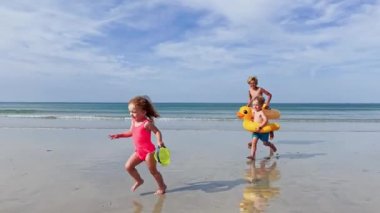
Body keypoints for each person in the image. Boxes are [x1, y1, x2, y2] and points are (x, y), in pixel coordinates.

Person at [109, 96, 167, 195]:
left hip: (149, 152)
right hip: (139, 151)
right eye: (130, 111)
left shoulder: (146, 123)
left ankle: (162, 186)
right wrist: (119, 135)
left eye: (134, 112)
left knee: (153, 171)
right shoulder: (134, 121)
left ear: (143, 112)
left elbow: (157, 132)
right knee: (128, 167)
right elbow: (131, 132)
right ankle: (139, 180)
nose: (131, 114)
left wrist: (159, 141)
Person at [247, 96, 277, 161]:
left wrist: (260, 126)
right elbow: (248, 113)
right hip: (256, 131)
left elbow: (265, 120)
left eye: (257, 105)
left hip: (263, 131)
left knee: (265, 143)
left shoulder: (261, 112)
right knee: (254, 142)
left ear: (261, 105)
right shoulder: (253, 111)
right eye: (254, 104)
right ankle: (252, 156)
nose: (255, 106)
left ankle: (271, 145)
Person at [246, 76, 274, 140]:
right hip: (254, 106)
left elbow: (269, 95)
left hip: (261, 106)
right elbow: (250, 100)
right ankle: (254, 137)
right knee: (254, 120)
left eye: (254, 83)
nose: (252, 84)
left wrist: (267, 104)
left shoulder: (260, 89)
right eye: (250, 83)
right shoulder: (249, 90)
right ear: (249, 83)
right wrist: (248, 107)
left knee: (264, 119)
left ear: (256, 83)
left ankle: (271, 130)